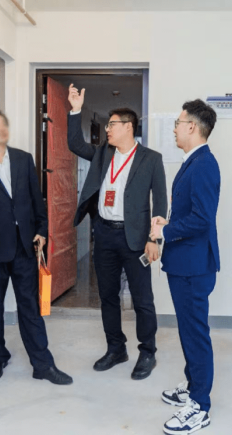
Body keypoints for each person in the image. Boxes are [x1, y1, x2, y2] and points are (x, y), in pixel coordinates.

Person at [0, 110, 73, 385]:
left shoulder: (23, 159)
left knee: (30, 306)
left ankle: (43, 364)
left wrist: (41, 230)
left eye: (4, 124)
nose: (2, 128)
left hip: (24, 247)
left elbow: (36, 200)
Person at [66, 84, 168, 380]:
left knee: (142, 299)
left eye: (112, 125)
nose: (107, 129)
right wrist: (75, 110)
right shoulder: (102, 154)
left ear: (128, 127)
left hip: (135, 238)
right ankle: (116, 349)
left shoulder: (151, 158)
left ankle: (147, 352)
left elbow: (161, 202)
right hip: (104, 235)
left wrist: (154, 238)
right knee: (108, 296)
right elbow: (75, 144)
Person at [150, 99, 220, 435]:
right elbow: (190, 213)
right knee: (188, 330)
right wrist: (169, 222)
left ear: (192, 126)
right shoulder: (193, 161)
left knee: (195, 333)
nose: (175, 128)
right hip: (184, 262)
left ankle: (200, 406)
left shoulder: (204, 164)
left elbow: (203, 219)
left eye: (178, 123)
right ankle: (192, 387)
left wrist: (164, 232)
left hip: (193, 265)